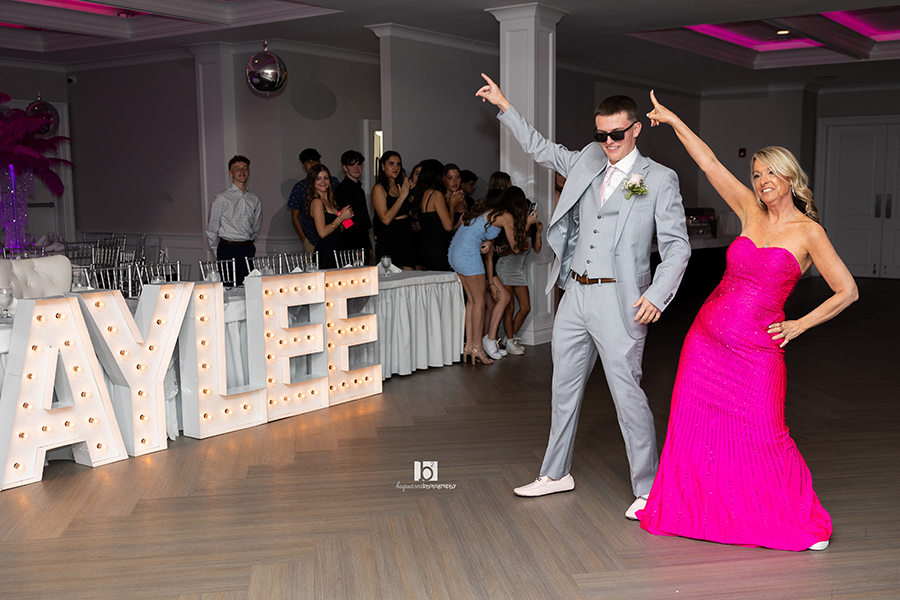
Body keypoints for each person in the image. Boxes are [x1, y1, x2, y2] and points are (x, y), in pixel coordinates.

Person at [637, 92, 858, 551]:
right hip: (705, 342)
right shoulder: (748, 209)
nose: (762, 182)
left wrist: (798, 325)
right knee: (696, 430)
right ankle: (697, 511)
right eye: (757, 175)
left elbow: (847, 291)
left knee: (765, 432)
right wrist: (675, 122)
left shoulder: (809, 233)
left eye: (770, 173)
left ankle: (791, 518)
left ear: (790, 177)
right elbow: (710, 163)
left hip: (756, 351)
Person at [476, 73, 691, 516]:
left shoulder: (659, 179)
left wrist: (657, 294)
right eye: (601, 134)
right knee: (563, 389)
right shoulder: (589, 160)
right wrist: (504, 106)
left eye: (617, 134)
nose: (608, 142)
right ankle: (556, 473)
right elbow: (540, 148)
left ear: (636, 129)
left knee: (627, 396)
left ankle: (649, 490)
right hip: (575, 294)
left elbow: (677, 247)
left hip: (622, 301)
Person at [448, 186, 536, 364]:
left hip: (455, 252)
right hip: (468, 254)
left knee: (472, 302)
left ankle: (469, 346)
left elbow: (478, 234)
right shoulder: (506, 216)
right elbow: (516, 247)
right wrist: (528, 224)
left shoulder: (490, 211)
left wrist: (488, 244)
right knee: (479, 302)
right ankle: (478, 348)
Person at [206, 155, 261, 286]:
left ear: (249, 172)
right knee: (229, 288)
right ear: (230, 173)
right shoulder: (222, 198)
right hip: (228, 248)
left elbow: (256, 227)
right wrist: (218, 251)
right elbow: (212, 229)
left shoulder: (254, 199)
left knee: (249, 287)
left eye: (245, 168)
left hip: (248, 249)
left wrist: (248, 241)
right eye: (237, 168)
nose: (242, 171)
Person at [497, 217, 543, 355]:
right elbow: (502, 252)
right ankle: (510, 341)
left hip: (518, 271)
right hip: (505, 268)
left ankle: (509, 339)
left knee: (525, 307)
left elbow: (537, 249)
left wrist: (538, 233)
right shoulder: (512, 228)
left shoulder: (531, 230)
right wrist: (518, 245)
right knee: (509, 308)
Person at [411, 159, 463, 271]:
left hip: (425, 247)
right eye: (443, 175)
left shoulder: (423, 193)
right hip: (438, 248)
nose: (444, 178)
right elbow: (448, 227)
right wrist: (452, 206)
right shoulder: (436, 194)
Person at [287, 148, 339, 253]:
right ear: (303, 165)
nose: (312, 164)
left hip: (334, 240)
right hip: (312, 239)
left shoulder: (333, 183)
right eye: (308, 162)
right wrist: (304, 239)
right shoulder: (300, 188)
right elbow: (294, 216)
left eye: (314, 161)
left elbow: (341, 209)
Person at [372, 151, 417, 269]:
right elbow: (385, 219)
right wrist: (402, 197)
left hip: (406, 233)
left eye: (398, 164)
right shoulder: (379, 188)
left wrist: (411, 193)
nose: (395, 167)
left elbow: (411, 212)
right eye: (391, 164)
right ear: (383, 166)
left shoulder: (401, 187)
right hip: (390, 236)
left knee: (410, 273)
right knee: (391, 274)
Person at [307, 164, 352, 269]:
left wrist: (345, 219)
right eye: (318, 178)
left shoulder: (331, 201)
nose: (323, 181)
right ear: (312, 182)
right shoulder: (316, 202)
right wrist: (340, 218)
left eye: (326, 178)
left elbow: (337, 230)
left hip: (339, 250)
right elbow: (322, 233)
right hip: (326, 252)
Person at [334, 150, 373, 264]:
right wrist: (356, 248)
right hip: (351, 246)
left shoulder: (359, 189)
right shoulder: (341, 190)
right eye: (352, 164)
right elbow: (346, 222)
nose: (356, 168)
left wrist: (368, 246)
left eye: (359, 164)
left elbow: (363, 222)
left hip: (362, 242)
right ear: (345, 168)